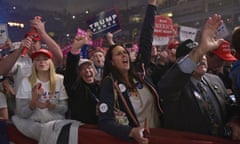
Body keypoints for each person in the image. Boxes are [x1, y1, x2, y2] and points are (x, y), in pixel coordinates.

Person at [157, 15, 240, 140]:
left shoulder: (216, 80)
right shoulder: (174, 87)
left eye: (204, 54)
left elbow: (231, 108)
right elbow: (166, 86)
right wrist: (200, 49)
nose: (201, 58)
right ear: (180, 61)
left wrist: (235, 121)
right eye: (195, 56)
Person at [98, 0, 163, 143]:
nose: (124, 55)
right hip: (138, 140)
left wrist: (151, 7)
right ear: (112, 62)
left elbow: (146, 39)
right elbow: (105, 121)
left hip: (160, 135)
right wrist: (131, 132)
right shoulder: (110, 84)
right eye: (119, 54)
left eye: (125, 52)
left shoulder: (141, 71)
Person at [11, 48, 68, 141]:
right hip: (33, 127)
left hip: (56, 126)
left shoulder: (60, 80)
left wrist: (52, 106)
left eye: (45, 59)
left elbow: (64, 108)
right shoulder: (26, 82)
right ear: (34, 64)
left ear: (51, 62)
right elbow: (22, 113)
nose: (42, 62)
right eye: (37, 60)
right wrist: (33, 102)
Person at [10, 16, 63, 93]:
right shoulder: (18, 59)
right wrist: (19, 50)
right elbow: (3, 71)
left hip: (45, 101)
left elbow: (59, 57)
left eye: (35, 42)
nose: (32, 45)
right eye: (29, 42)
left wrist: (43, 33)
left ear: (40, 44)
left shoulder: (46, 58)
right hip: (23, 102)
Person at [64, 35, 100, 124]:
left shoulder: (101, 86)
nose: (87, 71)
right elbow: (71, 71)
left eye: (89, 67)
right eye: (83, 69)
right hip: (83, 131)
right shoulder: (76, 88)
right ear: (78, 73)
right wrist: (75, 50)